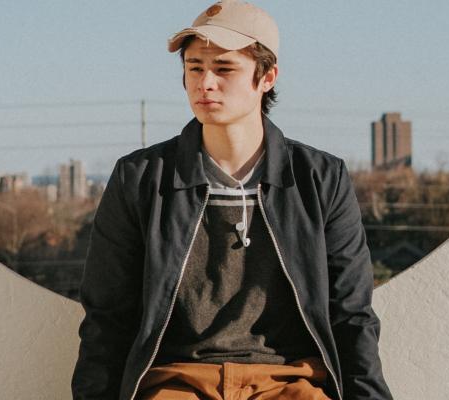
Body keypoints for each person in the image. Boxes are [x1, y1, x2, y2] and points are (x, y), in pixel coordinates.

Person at [72, 1, 393, 399]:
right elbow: (108, 315)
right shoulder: (139, 178)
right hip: (178, 381)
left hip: (289, 382)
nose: (205, 83)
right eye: (194, 68)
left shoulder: (319, 179)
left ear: (267, 77)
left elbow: (352, 313)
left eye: (224, 69)